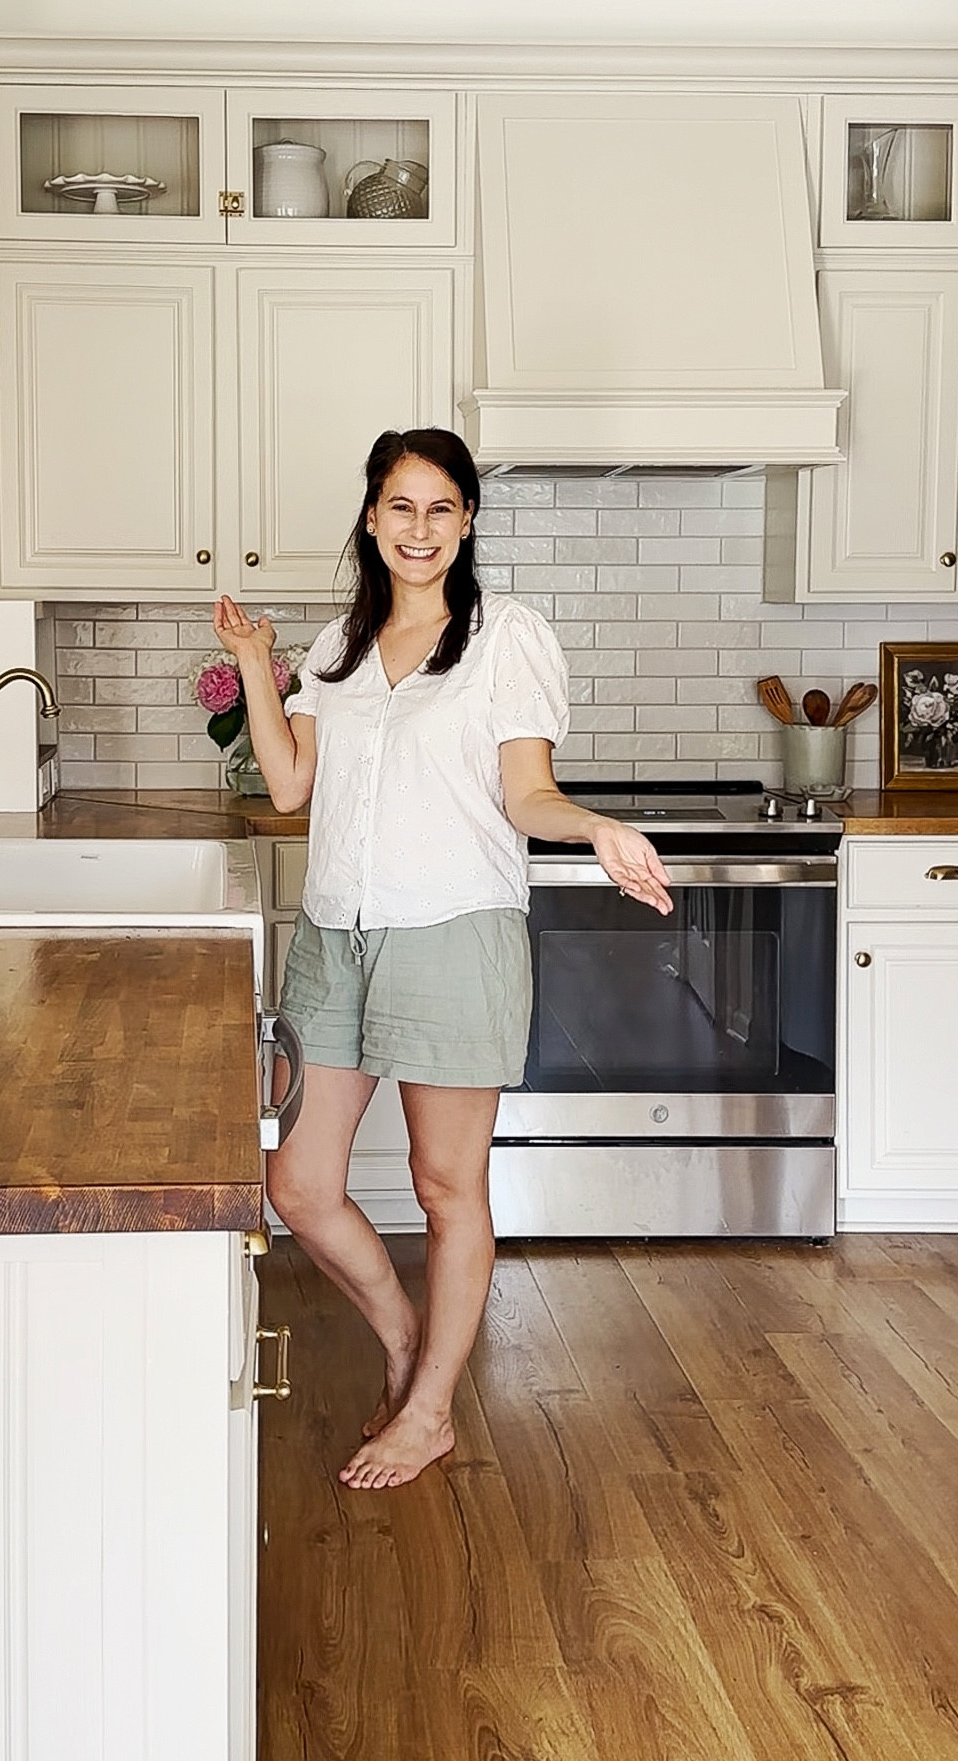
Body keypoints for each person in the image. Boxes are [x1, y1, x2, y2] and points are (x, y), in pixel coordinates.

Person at [213, 427, 671, 1492]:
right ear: (371, 518)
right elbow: (288, 788)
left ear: (466, 524)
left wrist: (596, 827)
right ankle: (412, 1345)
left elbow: (525, 795)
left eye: (442, 509)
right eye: (400, 507)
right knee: (299, 1183)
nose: (419, 529)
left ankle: (427, 1414)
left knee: (445, 1184)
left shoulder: (506, 635)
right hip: (336, 934)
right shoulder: (336, 648)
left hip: (453, 930)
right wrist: (254, 661)